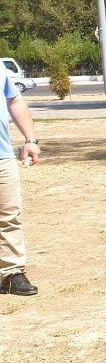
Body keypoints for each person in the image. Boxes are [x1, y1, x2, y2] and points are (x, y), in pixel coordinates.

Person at [0, 64, 42, 297]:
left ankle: (11, 273)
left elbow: (14, 101)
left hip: (2, 156)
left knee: (9, 216)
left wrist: (31, 139)